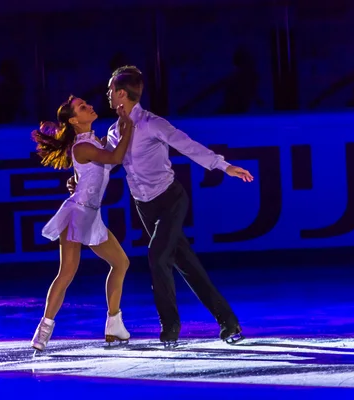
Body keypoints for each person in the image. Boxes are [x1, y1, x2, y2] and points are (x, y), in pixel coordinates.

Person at [68, 66, 254, 347]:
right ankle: (229, 323)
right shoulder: (113, 131)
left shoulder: (152, 123)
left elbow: (187, 145)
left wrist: (223, 165)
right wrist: (77, 181)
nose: (106, 94)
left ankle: (170, 329)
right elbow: (102, 164)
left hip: (171, 200)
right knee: (187, 265)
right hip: (145, 207)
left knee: (157, 256)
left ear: (120, 94)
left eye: (109, 90)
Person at [30, 95, 134, 351]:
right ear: (75, 120)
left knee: (120, 263)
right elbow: (116, 158)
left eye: (86, 103)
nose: (89, 106)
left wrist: (75, 181)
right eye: (82, 107)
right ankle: (42, 332)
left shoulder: (92, 142)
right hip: (78, 214)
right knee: (67, 272)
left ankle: (114, 323)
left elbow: (90, 171)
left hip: (90, 213)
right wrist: (129, 125)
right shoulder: (82, 146)